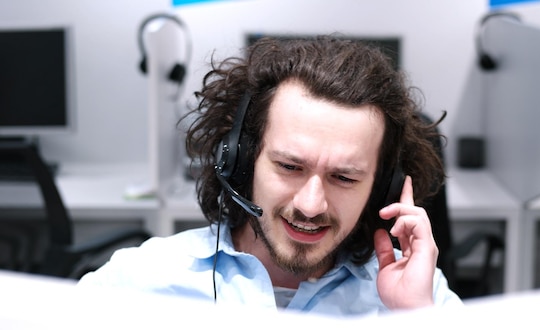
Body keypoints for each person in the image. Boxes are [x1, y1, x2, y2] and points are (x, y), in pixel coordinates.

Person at [78, 35, 463, 314]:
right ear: (241, 160)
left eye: (344, 178)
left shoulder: (421, 296)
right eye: (290, 167)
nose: (311, 206)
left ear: (382, 189)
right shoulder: (140, 281)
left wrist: (414, 316)